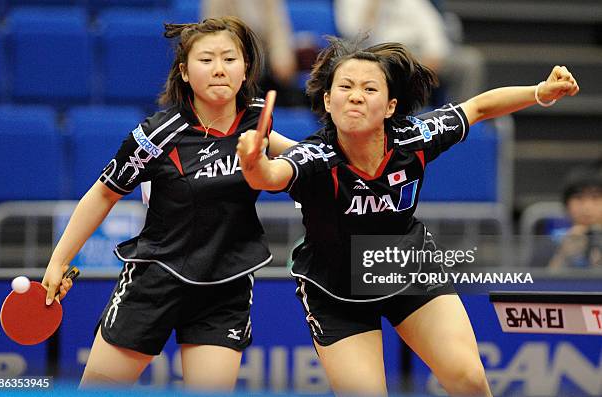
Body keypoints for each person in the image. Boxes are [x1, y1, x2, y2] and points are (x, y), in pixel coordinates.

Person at [236, 36, 579, 396]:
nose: (356, 95)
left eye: (370, 88)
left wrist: (540, 91)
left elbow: (477, 108)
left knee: (470, 381)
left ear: (389, 106)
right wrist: (252, 162)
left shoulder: (414, 137)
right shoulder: (314, 156)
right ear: (327, 100)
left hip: (407, 267)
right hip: (335, 293)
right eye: (346, 86)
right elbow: (271, 177)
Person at [41, 16, 295, 390]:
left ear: (246, 69)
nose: (219, 69)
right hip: (155, 279)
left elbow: (302, 159)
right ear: (185, 73)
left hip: (224, 283)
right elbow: (104, 192)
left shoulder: (258, 120)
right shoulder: (156, 134)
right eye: (206, 60)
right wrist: (59, 260)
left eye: (229, 59)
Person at [334, 0, 485, 104]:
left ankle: (461, 119)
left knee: (468, 61)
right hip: (380, 53)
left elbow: (431, 27)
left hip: (420, 54)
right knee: (395, 64)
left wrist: (434, 54)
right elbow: (354, 34)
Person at [202, 0, 305, 107]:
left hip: (264, 57)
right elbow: (215, 34)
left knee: (287, 80)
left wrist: (281, 58)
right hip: (233, 52)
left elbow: (278, 29)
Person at [548, 165, 602, 269]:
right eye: (578, 198)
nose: (587, 207)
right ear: (566, 205)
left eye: (595, 198)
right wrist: (563, 255)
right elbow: (532, 282)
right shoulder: (549, 243)